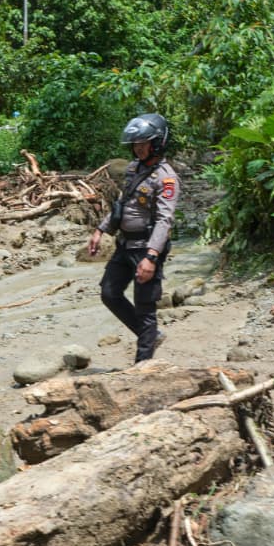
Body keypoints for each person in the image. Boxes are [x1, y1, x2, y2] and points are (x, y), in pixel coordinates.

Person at [87, 112, 180, 364]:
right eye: (135, 144)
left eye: (143, 143)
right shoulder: (132, 170)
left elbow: (164, 219)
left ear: (157, 143)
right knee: (109, 293)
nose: (138, 149)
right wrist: (100, 230)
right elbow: (122, 205)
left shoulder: (166, 178)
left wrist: (151, 257)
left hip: (146, 248)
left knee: (145, 308)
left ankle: (142, 367)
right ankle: (149, 336)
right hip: (124, 245)